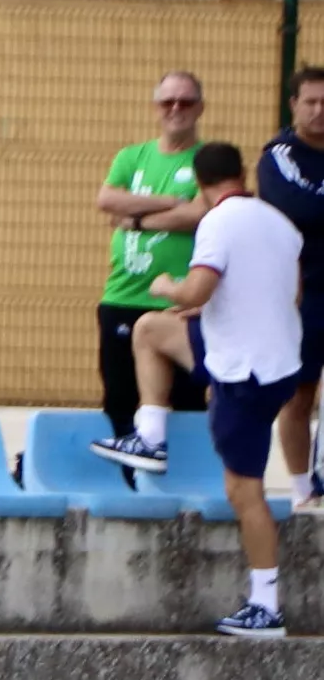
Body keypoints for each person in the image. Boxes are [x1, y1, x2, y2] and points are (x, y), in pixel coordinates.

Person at [94, 143, 304, 637]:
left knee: (243, 492)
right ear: (241, 173)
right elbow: (287, 293)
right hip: (276, 364)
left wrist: (170, 287)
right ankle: (150, 436)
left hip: (244, 374)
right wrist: (204, 312)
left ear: (198, 180)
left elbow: (196, 290)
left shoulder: (218, 221)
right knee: (151, 331)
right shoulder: (279, 223)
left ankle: (266, 605)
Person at [87, 73, 210, 441]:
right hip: (123, 296)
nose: (176, 109)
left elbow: (202, 212)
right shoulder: (132, 156)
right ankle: (126, 477)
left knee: (187, 396)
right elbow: (107, 200)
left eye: (186, 102)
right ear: (156, 107)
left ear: (200, 108)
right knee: (121, 396)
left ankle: (187, 482)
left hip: (179, 303)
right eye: (168, 101)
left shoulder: (207, 160)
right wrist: (171, 202)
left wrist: (133, 221)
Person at [247, 69, 324, 508]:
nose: (318, 111)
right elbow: (295, 207)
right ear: (293, 104)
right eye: (310, 101)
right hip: (302, 294)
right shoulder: (278, 155)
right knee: (298, 395)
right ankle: (301, 491)